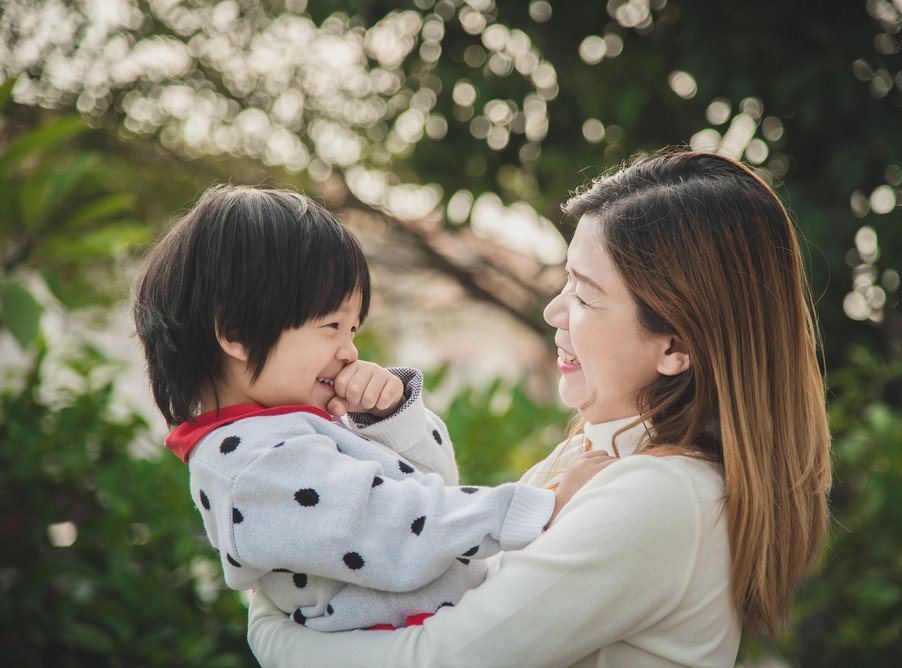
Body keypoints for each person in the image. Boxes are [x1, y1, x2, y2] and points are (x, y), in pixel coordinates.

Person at [246, 150, 833, 667]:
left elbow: (435, 658)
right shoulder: (599, 452)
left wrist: (269, 626)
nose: (554, 312)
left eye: (583, 294)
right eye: (564, 282)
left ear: (675, 346)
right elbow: (448, 579)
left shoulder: (661, 495)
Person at [131, 185, 613, 633]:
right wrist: (545, 507)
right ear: (235, 333)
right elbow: (400, 531)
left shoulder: (286, 430)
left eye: (353, 330)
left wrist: (390, 419)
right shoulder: (253, 466)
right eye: (331, 325)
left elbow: (432, 488)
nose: (349, 351)